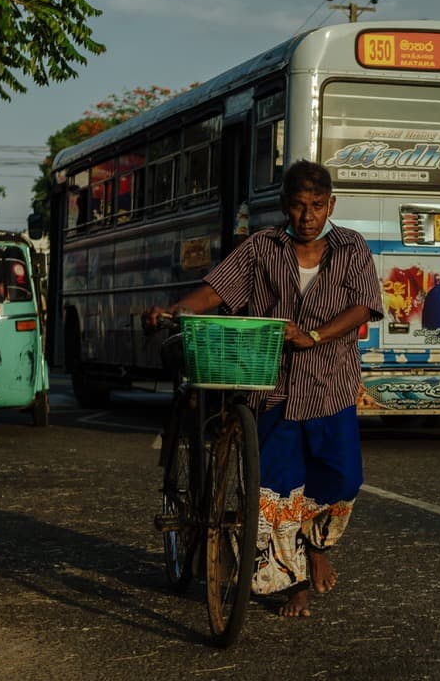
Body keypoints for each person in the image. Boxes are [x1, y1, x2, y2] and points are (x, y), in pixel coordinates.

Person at [143, 160, 382, 618]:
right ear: (283, 207)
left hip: (330, 383)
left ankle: (316, 545)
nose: (307, 216)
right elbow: (215, 291)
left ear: (331, 205)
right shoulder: (261, 247)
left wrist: (313, 336)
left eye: (316, 206)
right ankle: (293, 586)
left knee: (343, 477)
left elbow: (363, 306)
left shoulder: (351, 246)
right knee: (276, 490)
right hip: (271, 388)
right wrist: (176, 309)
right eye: (298, 206)